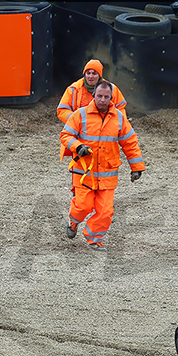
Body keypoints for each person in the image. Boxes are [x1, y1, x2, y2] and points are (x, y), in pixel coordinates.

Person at [60, 80, 145, 252]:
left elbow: (130, 143)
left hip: (108, 174)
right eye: (99, 96)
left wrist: (137, 167)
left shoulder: (120, 118)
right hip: (84, 172)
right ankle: (73, 222)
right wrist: (78, 146)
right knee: (82, 205)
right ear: (93, 95)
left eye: (106, 97)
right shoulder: (80, 115)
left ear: (111, 98)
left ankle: (94, 240)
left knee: (105, 212)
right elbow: (65, 135)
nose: (102, 100)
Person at [57, 59, 128, 162]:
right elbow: (62, 110)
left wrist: (116, 126)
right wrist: (76, 120)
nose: (90, 76)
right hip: (81, 135)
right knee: (81, 166)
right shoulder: (74, 89)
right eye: (88, 73)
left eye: (94, 73)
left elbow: (121, 110)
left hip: (104, 135)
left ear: (99, 75)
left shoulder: (111, 89)